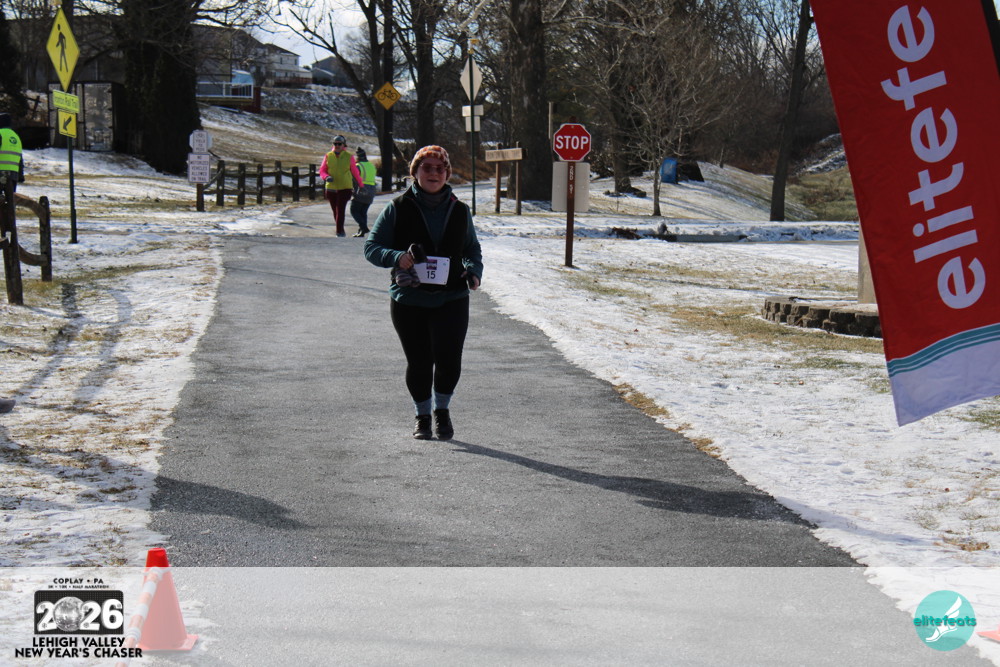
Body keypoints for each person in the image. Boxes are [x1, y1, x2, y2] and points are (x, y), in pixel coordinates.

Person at [364, 145, 483, 440]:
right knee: (419, 361)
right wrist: (397, 257)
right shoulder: (397, 207)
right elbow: (372, 247)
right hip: (409, 299)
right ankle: (422, 416)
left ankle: (442, 410)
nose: (434, 173)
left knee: (449, 360)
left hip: (452, 297)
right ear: (415, 172)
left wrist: (474, 270)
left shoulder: (459, 210)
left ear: (447, 174)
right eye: (426, 167)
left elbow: (471, 248)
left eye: (440, 168)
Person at [319, 135, 362, 237]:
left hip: (345, 187)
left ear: (344, 145)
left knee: (340, 209)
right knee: (335, 211)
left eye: (339, 144)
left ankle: (339, 232)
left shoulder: (349, 156)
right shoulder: (328, 156)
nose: (337, 146)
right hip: (331, 187)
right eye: (335, 144)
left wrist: (361, 184)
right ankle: (340, 229)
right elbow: (322, 170)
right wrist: (326, 177)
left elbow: (355, 172)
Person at [350, 147, 377, 237]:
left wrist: (353, 189)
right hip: (372, 191)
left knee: (354, 210)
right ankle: (361, 231)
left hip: (362, 189)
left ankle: (364, 227)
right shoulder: (371, 166)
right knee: (363, 212)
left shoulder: (358, 166)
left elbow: (354, 179)